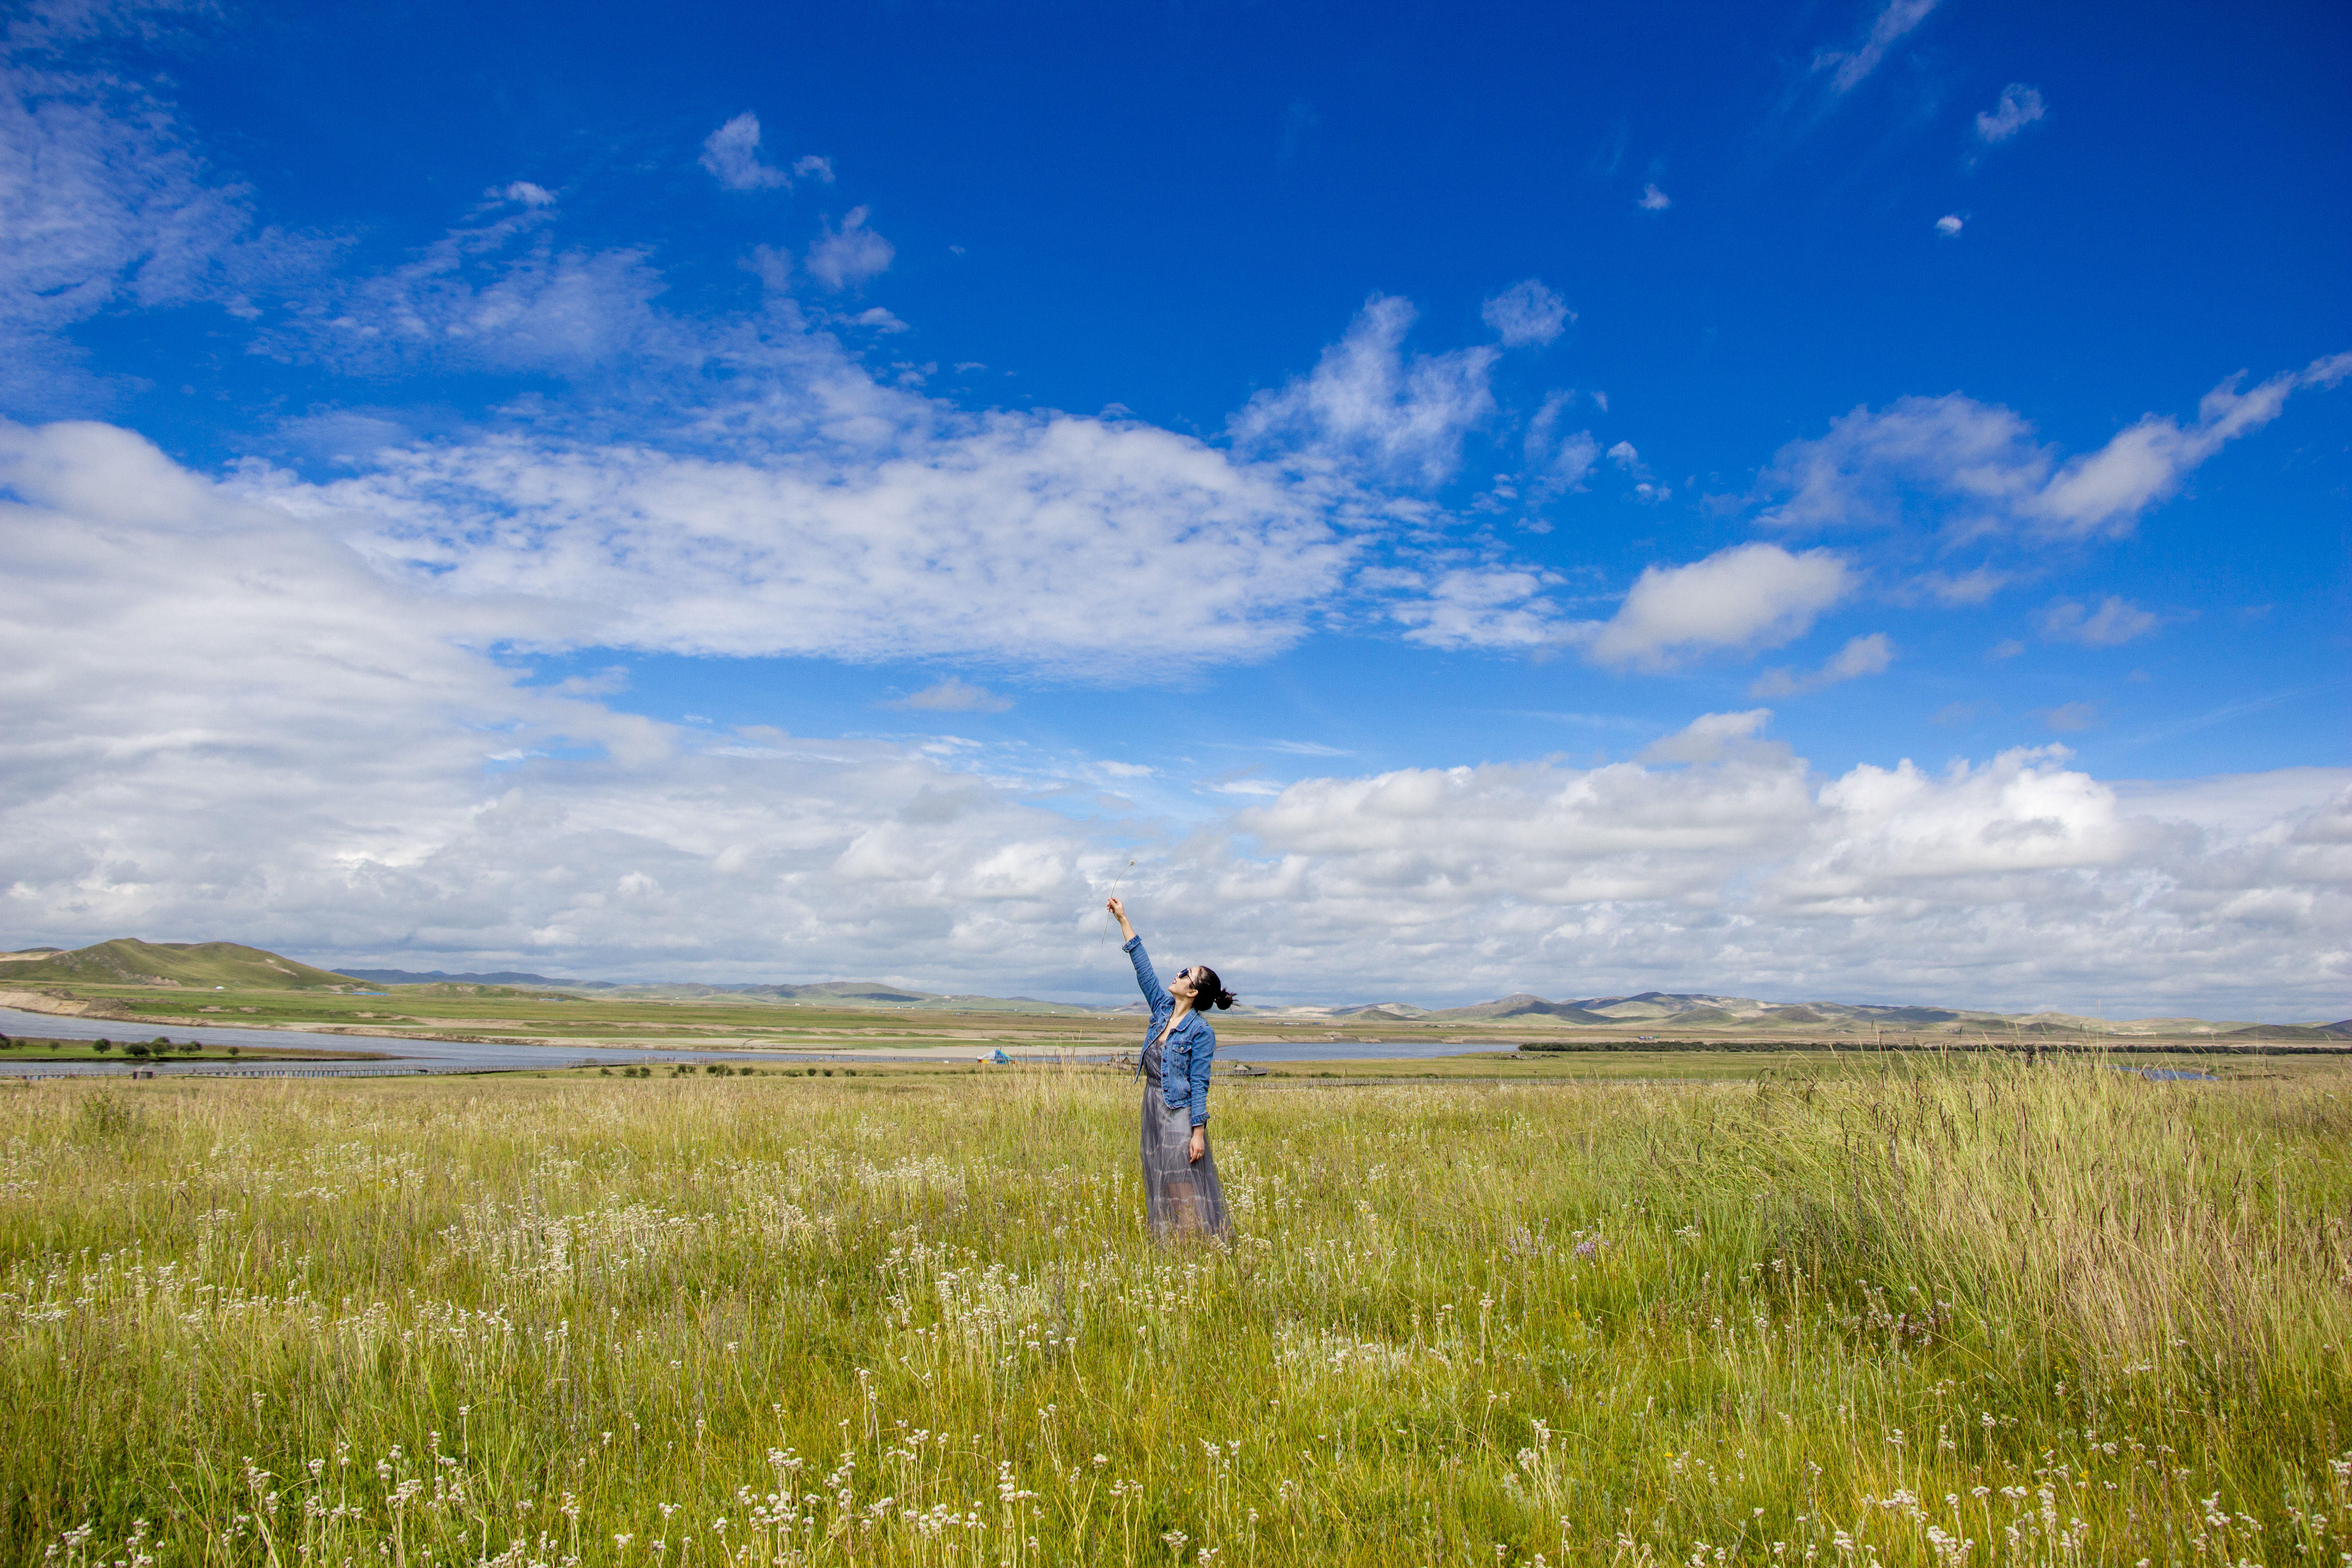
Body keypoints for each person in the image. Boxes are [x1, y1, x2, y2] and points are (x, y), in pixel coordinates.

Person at [1107, 895, 1235, 1241]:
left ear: (1192, 991)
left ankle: (1193, 1247)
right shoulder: (1162, 1008)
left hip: (1178, 1112)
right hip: (1152, 1107)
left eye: (1185, 974)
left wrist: (1198, 1133)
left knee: (1181, 1180)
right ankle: (1173, 1248)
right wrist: (1123, 919)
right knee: (1159, 1176)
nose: (1177, 974)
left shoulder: (1201, 1032)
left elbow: (1199, 1083)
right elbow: (1142, 967)